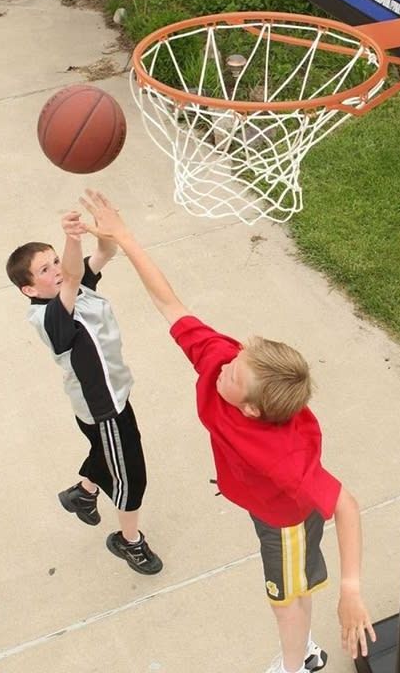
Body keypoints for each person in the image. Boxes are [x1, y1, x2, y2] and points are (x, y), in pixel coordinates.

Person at [79, 189, 376, 673]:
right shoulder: (226, 363)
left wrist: (352, 591)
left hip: (286, 522)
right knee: (293, 592)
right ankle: (305, 652)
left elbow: (346, 504)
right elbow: (169, 304)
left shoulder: (281, 454)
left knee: (284, 602)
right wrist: (126, 238)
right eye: (237, 359)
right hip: (266, 504)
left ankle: (296, 664)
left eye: (235, 375)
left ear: (254, 411)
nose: (223, 368)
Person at [5, 210, 163, 576]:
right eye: (44, 270)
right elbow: (75, 276)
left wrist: (102, 230)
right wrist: (72, 237)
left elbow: (105, 253)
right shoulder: (51, 315)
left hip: (114, 395)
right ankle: (129, 540)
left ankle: (83, 492)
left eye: (55, 261)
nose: (56, 270)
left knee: (108, 451)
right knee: (131, 475)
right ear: (29, 290)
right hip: (103, 406)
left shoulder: (68, 287)